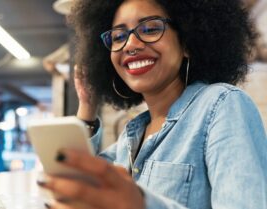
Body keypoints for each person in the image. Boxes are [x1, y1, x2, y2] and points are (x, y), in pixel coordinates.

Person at [37, 0, 267, 208]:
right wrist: (87, 105)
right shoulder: (131, 137)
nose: (130, 44)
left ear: (187, 42)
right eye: (118, 37)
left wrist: (140, 204)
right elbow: (84, 180)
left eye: (151, 29)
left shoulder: (222, 105)